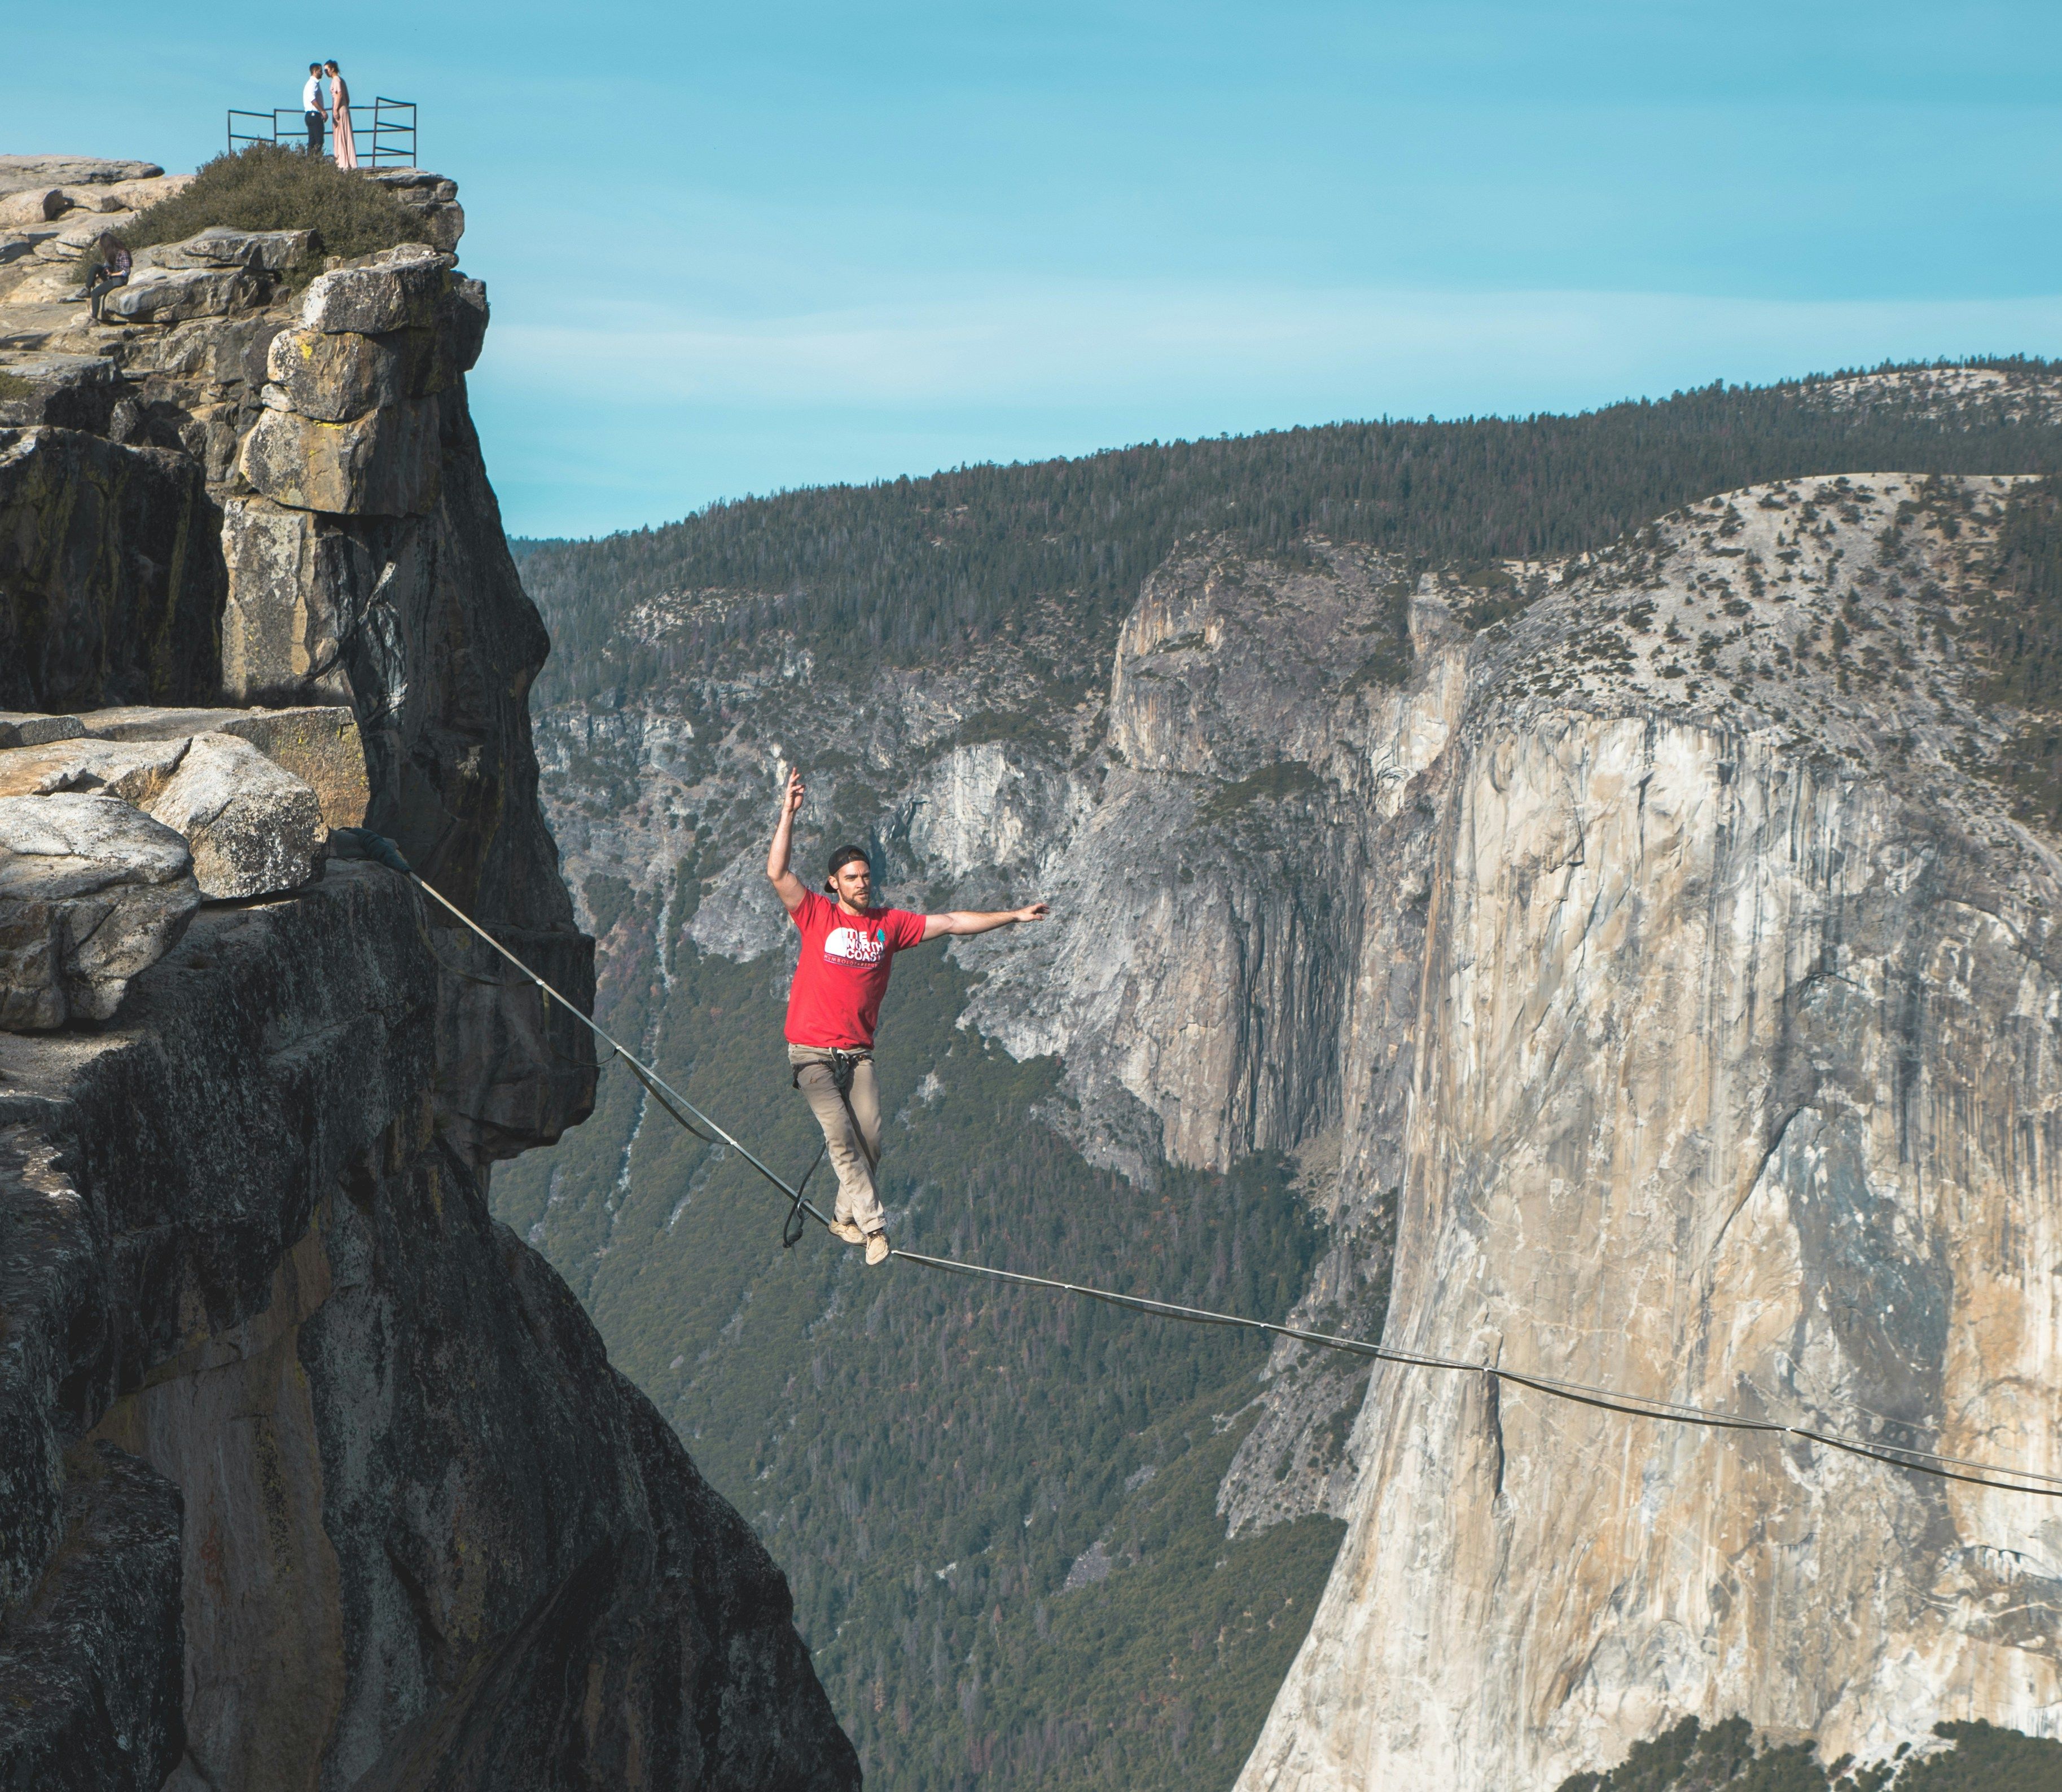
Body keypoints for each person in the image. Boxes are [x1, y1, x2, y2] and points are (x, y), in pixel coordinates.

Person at [766, 767, 1048, 1265]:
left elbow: (955, 921)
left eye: (867, 877)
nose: (862, 884)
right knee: (840, 1137)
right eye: (851, 878)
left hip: (857, 1055)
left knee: (870, 1142)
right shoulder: (816, 914)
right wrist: (787, 814)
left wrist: (1012, 917)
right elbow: (778, 874)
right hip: (810, 1052)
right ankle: (875, 1228)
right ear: (834, 884)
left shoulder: (890, 925)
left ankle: (844, 1217)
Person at [82, 233, 130, 323]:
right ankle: (87, 289)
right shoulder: (111, 253)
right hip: (111, 276)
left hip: (118, 280)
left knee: (95, 293)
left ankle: (94, 319)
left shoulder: (123, 253)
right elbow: (106, 266)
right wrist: (105, 271)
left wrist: (112, 275)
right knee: (95, 267)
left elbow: (126, 272)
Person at [327, 62, 358, 169]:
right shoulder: (342, 80)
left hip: (339, 109)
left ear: (332, 69)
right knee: (346, 134)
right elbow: (347, 98)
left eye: (327, 69)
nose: (326, 72)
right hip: (344, 109)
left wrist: (335, 109)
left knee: (340, 135)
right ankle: (348, 161)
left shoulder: (336, 80)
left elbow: (339, 94)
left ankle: (343, 162)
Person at [301, 63, 326, 156]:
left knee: (312, 140)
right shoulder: (313, 84)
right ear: (315, 71)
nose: (322, 73)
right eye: (320, 71)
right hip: (314, 114)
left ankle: (310, 161)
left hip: (309, 115)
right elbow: (312, 99)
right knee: (318, 140)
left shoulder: (310, 84)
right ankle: (316, 161)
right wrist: (322, 111)